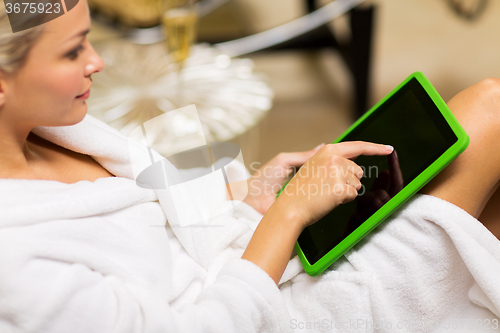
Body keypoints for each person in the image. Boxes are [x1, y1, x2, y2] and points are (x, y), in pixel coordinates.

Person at [0, 0, 498, 331]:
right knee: (490, 111)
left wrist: (250, 194)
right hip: (272, 314)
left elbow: (155, 199)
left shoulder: (51, 128)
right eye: (72, 52)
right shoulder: (16, 260)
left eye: (88, 39)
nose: (97, 62)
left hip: (248, 249)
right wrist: (288, 217)